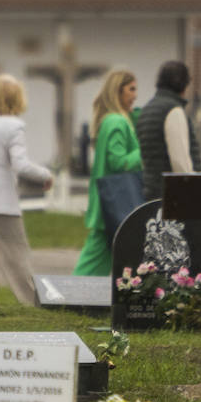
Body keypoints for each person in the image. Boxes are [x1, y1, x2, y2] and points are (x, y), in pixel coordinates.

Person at [0, 75, 53, 305]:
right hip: (2, 201)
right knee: (17, 255)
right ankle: (31, 301)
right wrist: (45, 175)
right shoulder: (14, 125)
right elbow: (21, 165)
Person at [73, 70, 141, 276]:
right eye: (131, 89)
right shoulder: (117, 122)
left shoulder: (114, 120)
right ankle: (70, 296)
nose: (136, 95)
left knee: (104, 256)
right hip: (113, 202)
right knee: (94, 258)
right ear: (117, 91)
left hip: (108, 201)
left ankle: (78, 296)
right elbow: (119, 162)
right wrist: (145, 149)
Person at [136, 60, 201, 201]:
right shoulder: (173, 110)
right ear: (184, 85)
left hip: (151, 190)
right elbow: (180, 163)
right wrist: (193, 190)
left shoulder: (147, 108)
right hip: (171, 197)